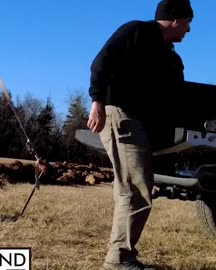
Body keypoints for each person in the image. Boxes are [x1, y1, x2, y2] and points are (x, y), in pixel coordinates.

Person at [86, 0, 193, 269]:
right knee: (135, 190)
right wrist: (97, 101)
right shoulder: (136, 32)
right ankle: (120, 259)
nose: (189, 31)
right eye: (188, 23)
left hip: (142, 125)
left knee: (135, 188)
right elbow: (102, 60)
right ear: (176, 19)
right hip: (121, 117)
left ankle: (120, 257)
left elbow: (175, 97)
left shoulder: (170, 56)